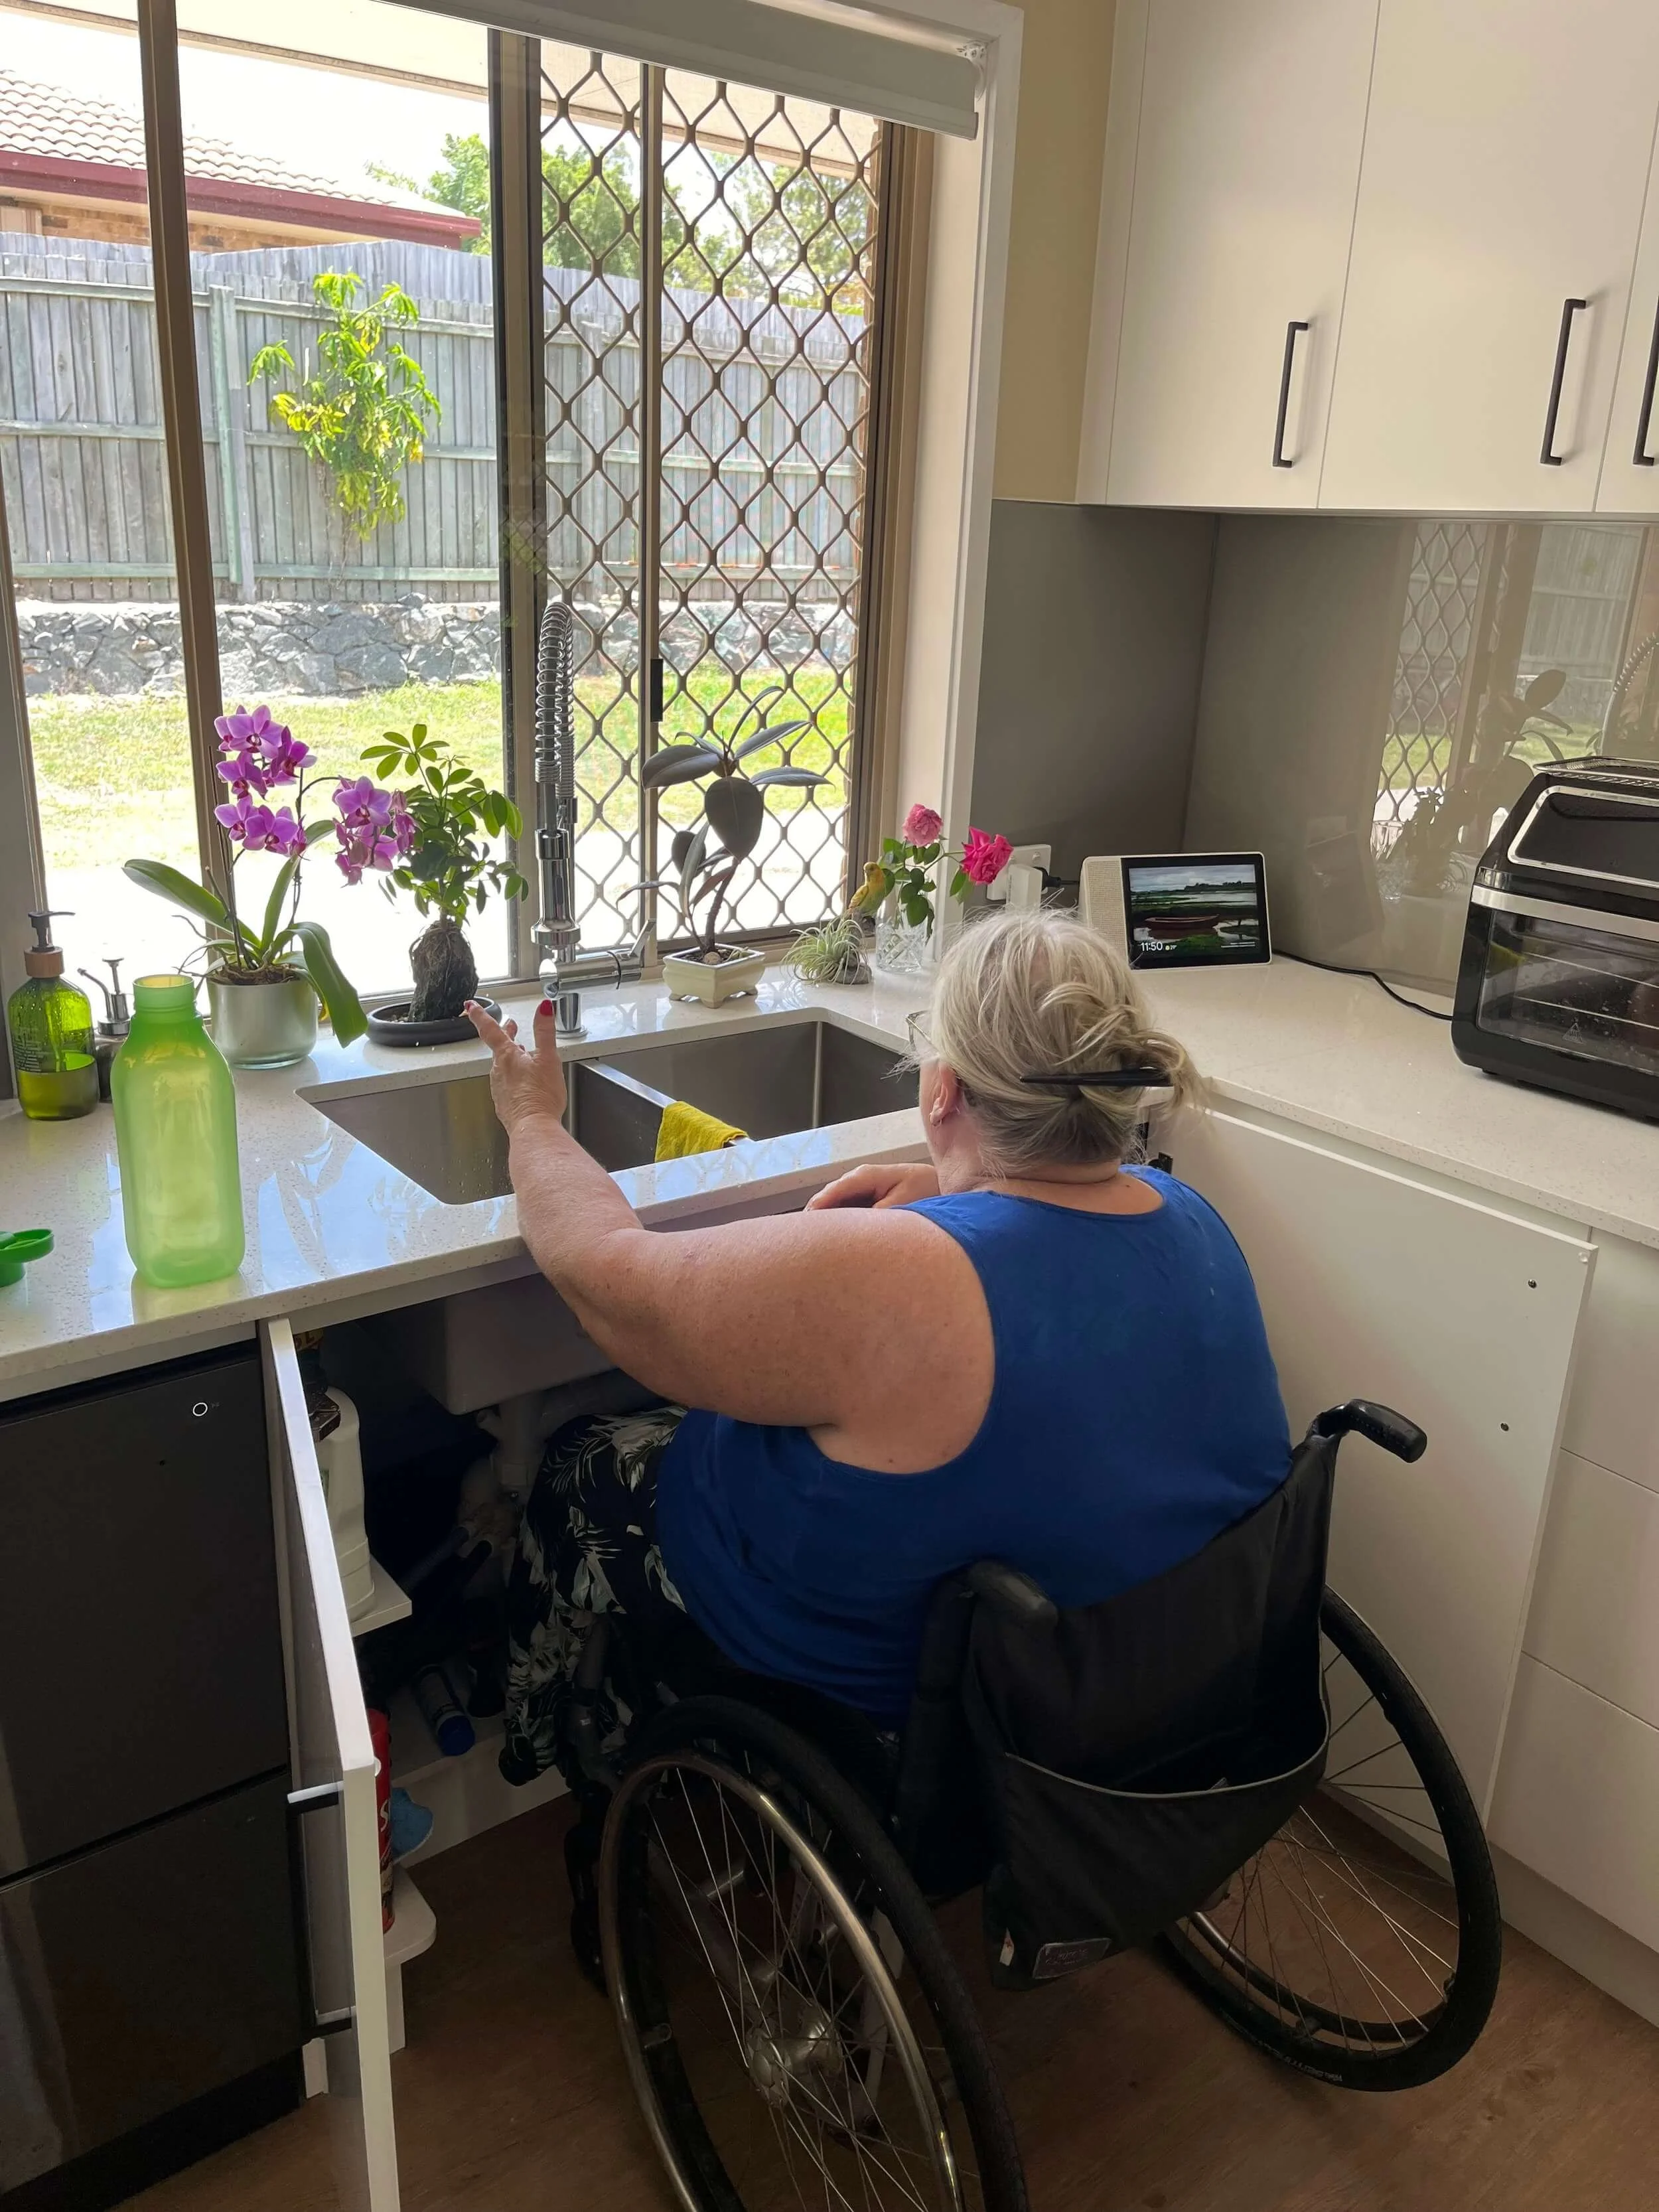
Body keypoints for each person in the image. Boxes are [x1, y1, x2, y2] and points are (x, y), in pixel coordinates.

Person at [465, 909, 1291, 1789]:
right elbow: (1062, 1253)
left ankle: (534, 1743)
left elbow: (607, 1279)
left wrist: (534, 1121)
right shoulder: (1192, 1217)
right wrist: (954, 1187)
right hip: (1135, 1688)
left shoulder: (905, 1278)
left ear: (942, 1091)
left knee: (578, 1468)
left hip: (906, 1697)